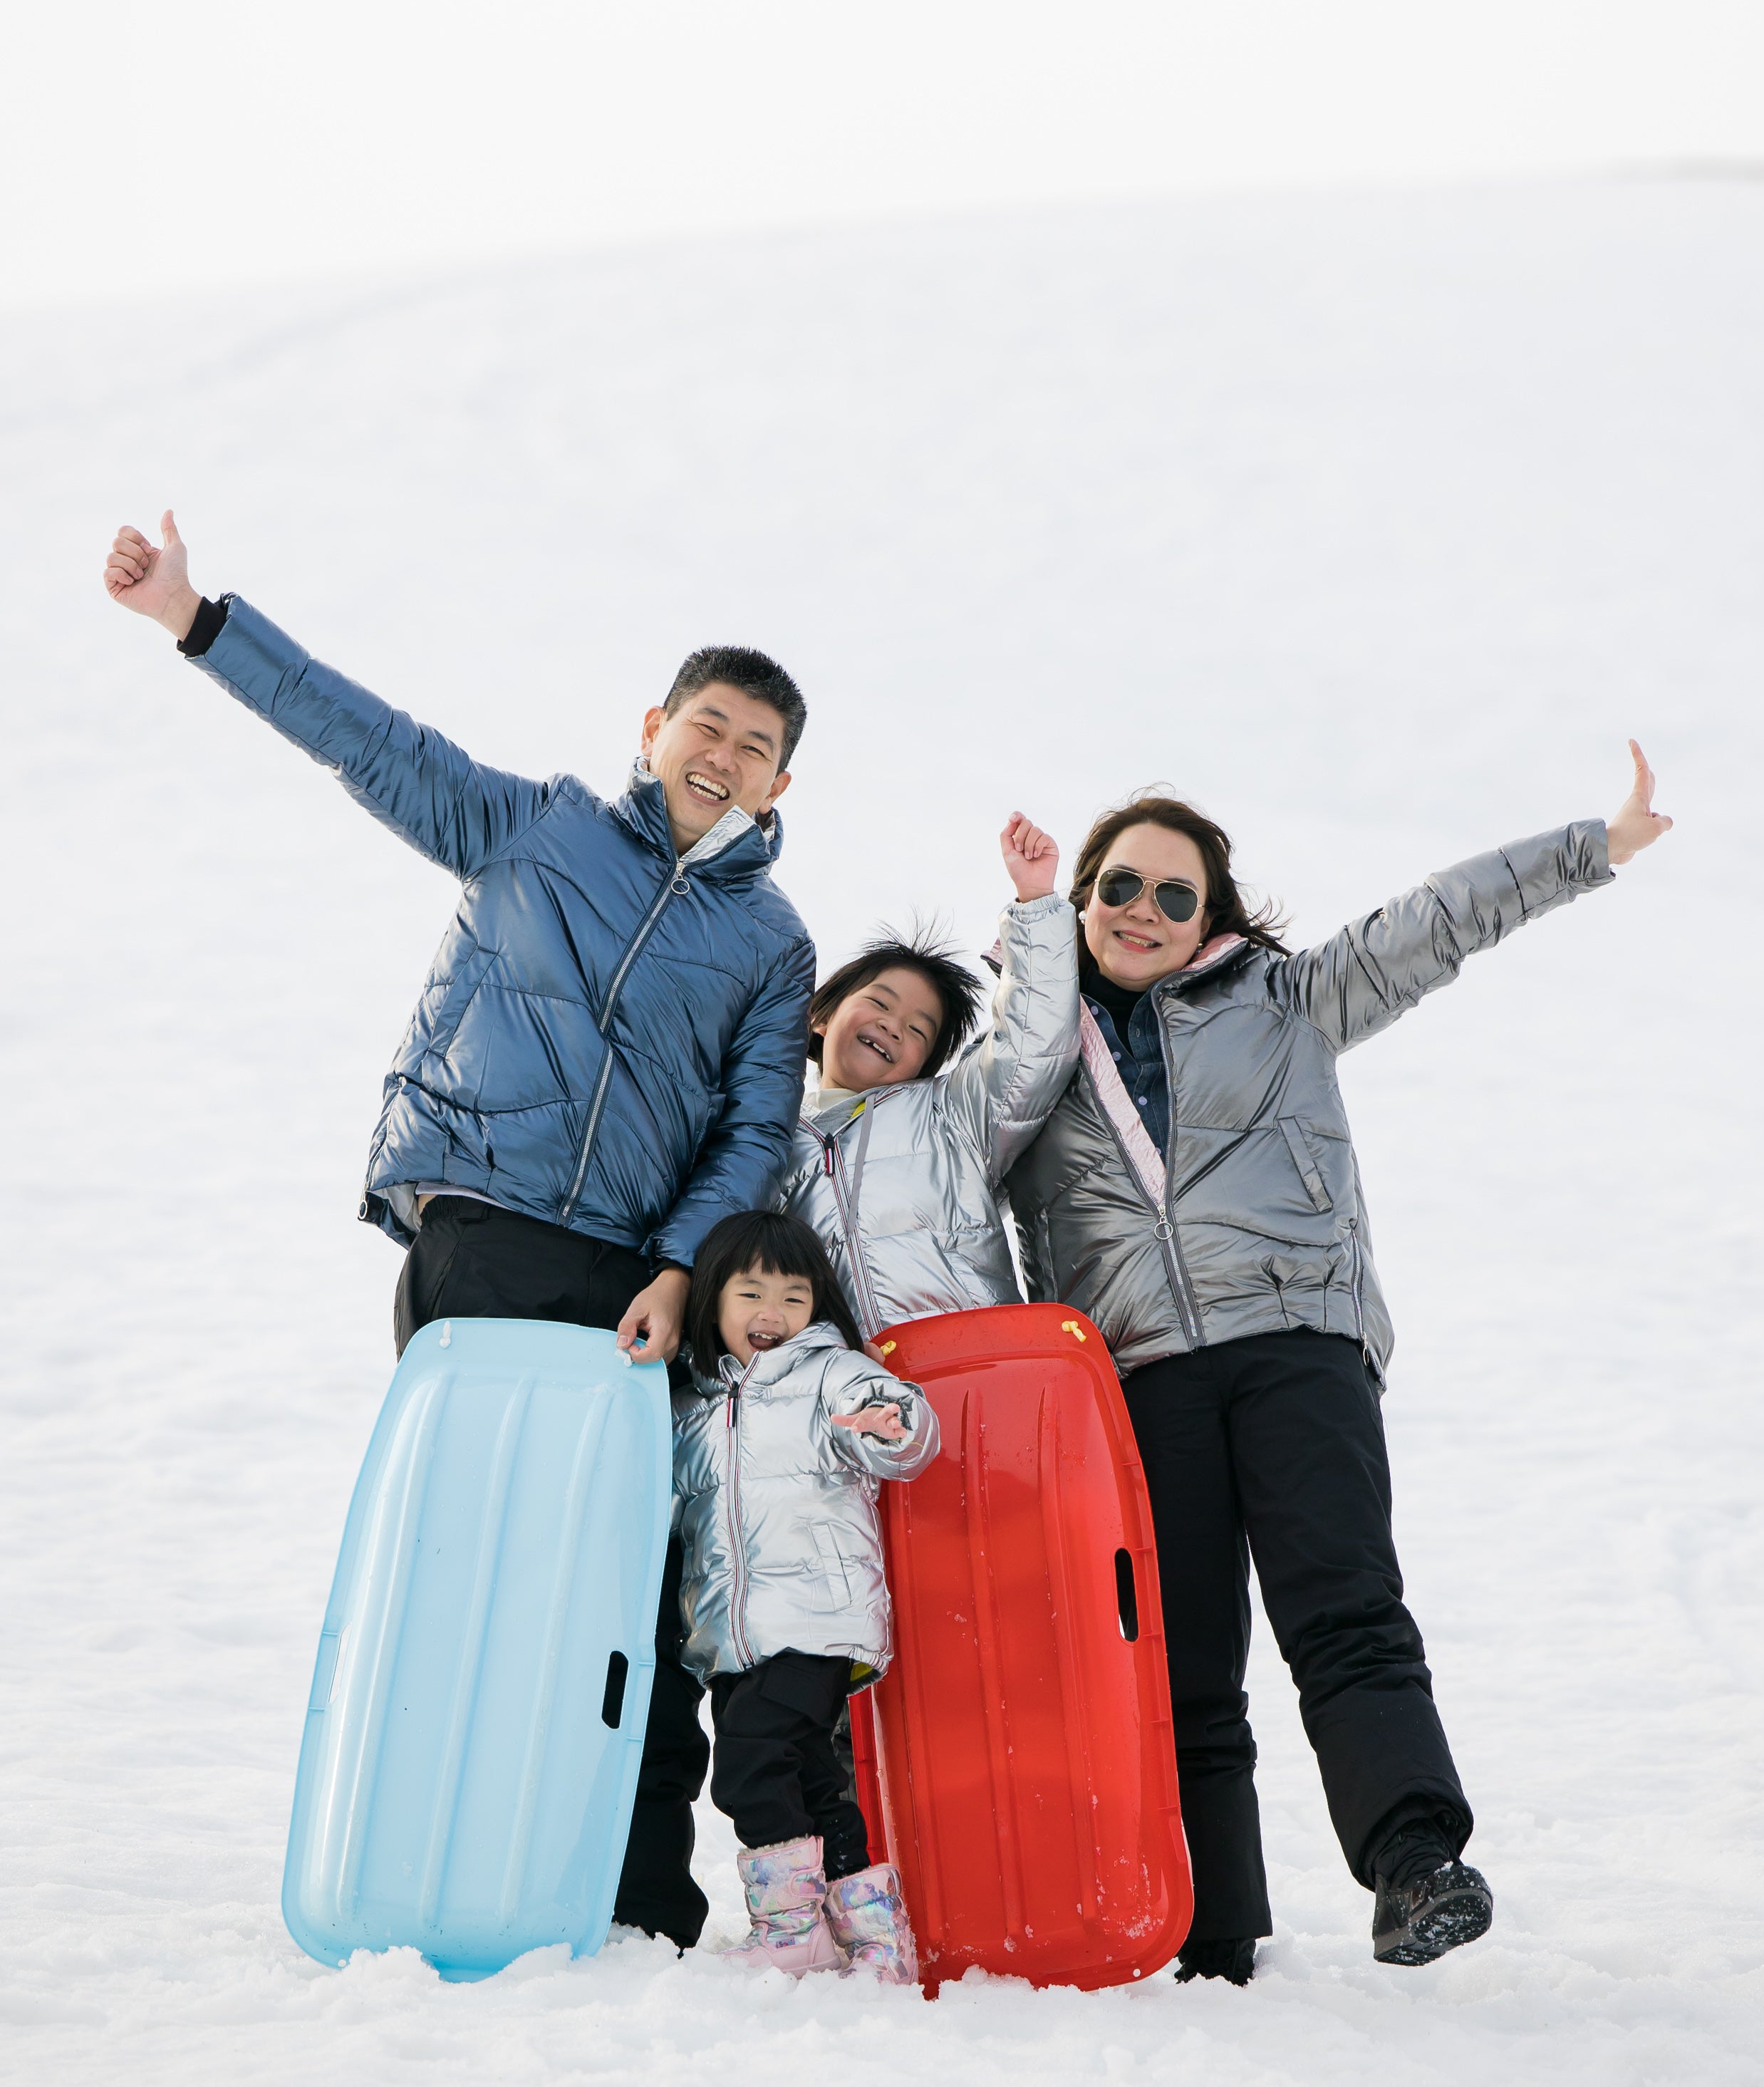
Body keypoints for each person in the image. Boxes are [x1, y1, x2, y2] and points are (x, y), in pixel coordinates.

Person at [100, 507, 817, 1952]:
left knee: (625, 1586)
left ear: (780, 778)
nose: (721, 756)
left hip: (634, 1283)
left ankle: (632, 1900)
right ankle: (422, 1856)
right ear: (656, 726)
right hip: (484, 1234)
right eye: (708, 724)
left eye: (752, 744)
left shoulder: (769, 941)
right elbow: (373, 744)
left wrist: (684, 1269)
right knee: (462, 1560)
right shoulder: (536, 826)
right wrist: (199, 620)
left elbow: (752, 1132)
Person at [1005, 748, 1674, 1983]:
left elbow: (1439, 918)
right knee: (1185, 1660)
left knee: (1344, 1608)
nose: (1143, 913)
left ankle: (1415, 1863)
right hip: (1140, 1377)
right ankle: (1213, 1935)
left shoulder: (1288, 1000)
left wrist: (1599, 844)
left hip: (1295, 1341)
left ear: (1216, 916)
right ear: (1078, 899)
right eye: (1120, 888)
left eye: (1175, 895)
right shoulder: (1026, 1059)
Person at [669, 1211, 940, 1978]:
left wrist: (889, 1423)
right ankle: (871, 1937)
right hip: (732, 1636)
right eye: (750, 1294)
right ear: (712, 1302)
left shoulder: (830, 1373)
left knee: (750, 1765)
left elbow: (904, 1428)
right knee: (811, 1775)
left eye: (794, 1297)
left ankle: (788, 1932)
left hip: (819, 1617)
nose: (772, 1315)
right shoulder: (691, 1409)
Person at [779, 813, 1080, 1337]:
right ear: (821, 1018)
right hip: (844, 1393)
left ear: (923, 1068)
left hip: (970, 1363)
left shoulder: (951, 1116)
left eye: (918, 1031)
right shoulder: (764, 1137)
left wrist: (1035, 904)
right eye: (879, 1003)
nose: (893, 1027)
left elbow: (1033, 1048)